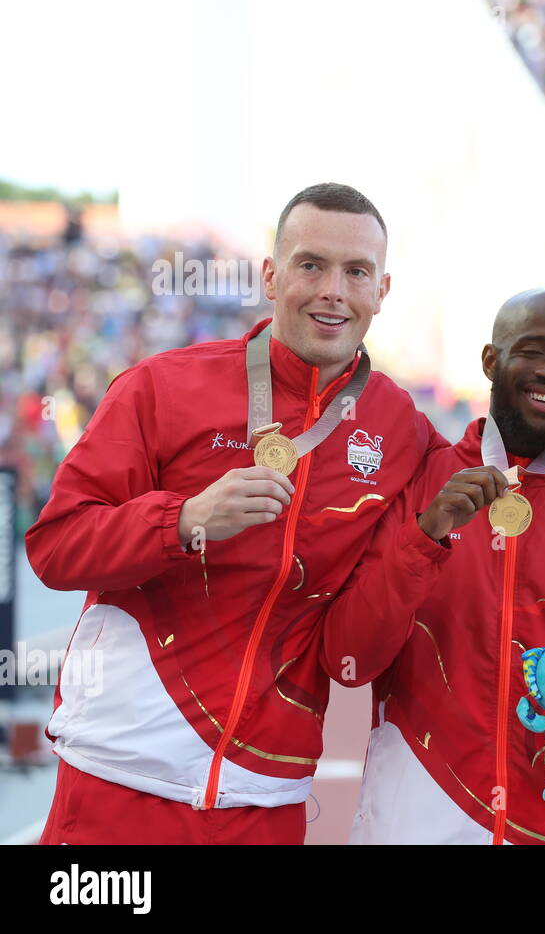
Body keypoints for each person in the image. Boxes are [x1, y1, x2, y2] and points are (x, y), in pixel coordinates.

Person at [25, 183, 457, 843]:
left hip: (267, 793)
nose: (333, 290)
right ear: (270, 274)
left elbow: (508, 478)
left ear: (382, 289)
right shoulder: (163, 387)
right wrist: (182, 520)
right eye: (310, 265)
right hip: (123, 774)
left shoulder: (402, 431)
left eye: (356, 272)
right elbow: (56, 546)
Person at [334, 287, 545, 845]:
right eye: (532, 350)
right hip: (419, 815)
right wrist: (425, 536)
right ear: (491, 360)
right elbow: (348, 656)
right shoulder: (415, 484)